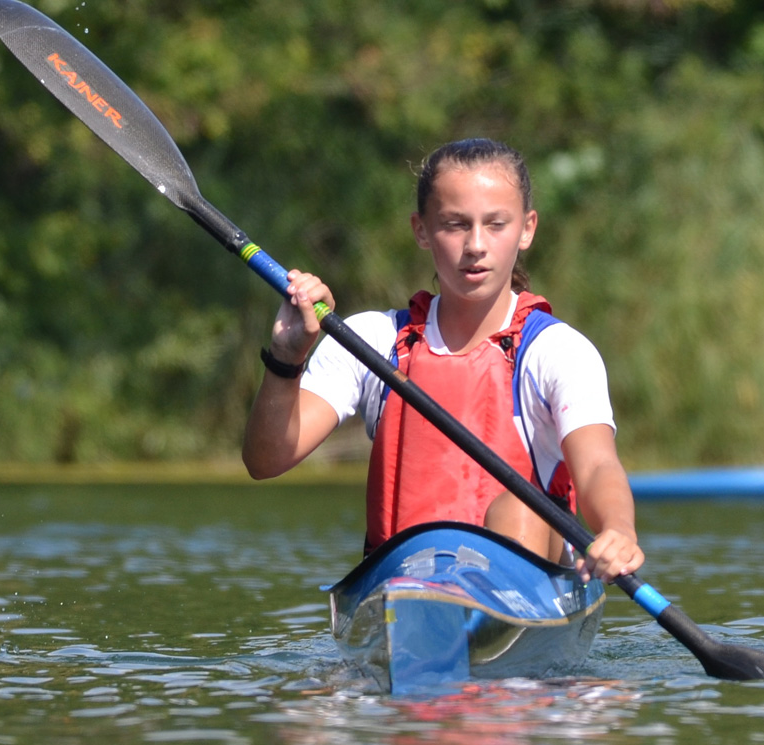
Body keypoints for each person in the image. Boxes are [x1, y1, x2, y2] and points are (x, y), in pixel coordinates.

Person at [242, 138, 644, 584]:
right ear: (421, 230)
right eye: (455, 225)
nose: (475, 245)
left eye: (496, 224)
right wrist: (286, 356)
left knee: (523, 506)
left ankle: (489, 625)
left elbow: (597, 466)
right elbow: (266, 461)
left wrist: (618, 531)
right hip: (405, 589)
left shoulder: (557, 351)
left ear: (527, 229)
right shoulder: (373, 340)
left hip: (528, 588)